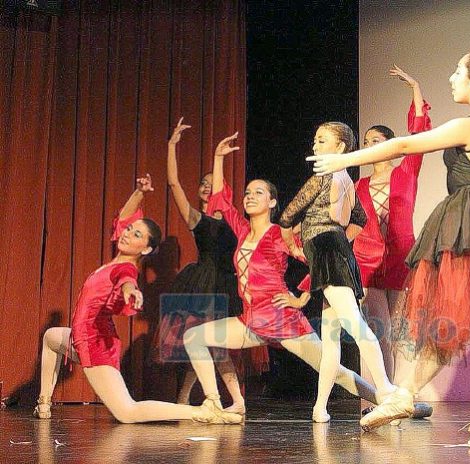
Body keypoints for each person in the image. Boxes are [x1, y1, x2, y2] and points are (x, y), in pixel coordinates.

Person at [309, 25, 470, 434]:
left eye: (457, 71)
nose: (451, 78)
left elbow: (403, 146)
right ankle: (406, 396)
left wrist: (346, 159)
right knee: (465, 320)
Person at [183, 135, 379, 423]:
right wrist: (218, 157)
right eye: (248, 192)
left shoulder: (279, 235)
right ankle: (217, 403)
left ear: (273, 201)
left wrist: (301, 296)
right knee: (195, 337)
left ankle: (386, 398)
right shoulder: (242, 230)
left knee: (334, 370)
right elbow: (222, 201)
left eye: (258, 192)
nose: (250, 196)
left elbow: (317, 260)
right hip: (251, 319)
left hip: (281, 319)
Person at [34, 176, 232, 424]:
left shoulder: (126, 268)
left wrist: (131, 291)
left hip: (95, 344)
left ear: (146, 249)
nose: (127, 234)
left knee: (127, 412)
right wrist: (139, 192)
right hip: (81, 336)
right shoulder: (117, 259)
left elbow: (126, 281)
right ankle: (44, 403)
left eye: (136, 234)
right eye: (128, 230)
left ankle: (202, 412)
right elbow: (124, 217)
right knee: (51, 337)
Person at [278, 122, 406, 425]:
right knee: (331, 337)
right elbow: (359, 220)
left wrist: (295, 247)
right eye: (315, 140)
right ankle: (320, 407)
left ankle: (386, 389)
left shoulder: (322, 177)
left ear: (340, 148)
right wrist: (337, 240)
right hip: (334, 253)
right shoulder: (348, 180)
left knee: (355, 326)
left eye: (321, 141)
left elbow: (286, 216)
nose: (315, 146)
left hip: (328, 255)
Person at [156, 118, 265, 410]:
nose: (206, 187)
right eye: (202, 184)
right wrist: (171, 147)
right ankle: (221, 400)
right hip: (203, 283)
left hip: (228, 283)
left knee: (214, 344)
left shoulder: (233, 221)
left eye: (210, 184)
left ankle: (224, 401)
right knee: (207, 343)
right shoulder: (196, 218)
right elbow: (173, 184)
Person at [354, 65, 431, 384]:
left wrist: (415, 88)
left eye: (376, 140)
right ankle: (383, 392)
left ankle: (400, 393)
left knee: (400, 333)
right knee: (379, 332)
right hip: (369, 262)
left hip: (401, 256)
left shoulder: (406, 171)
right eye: (366, 140)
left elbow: (419, 135)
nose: (369, 144)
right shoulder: (359, 185)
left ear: (389, 143)